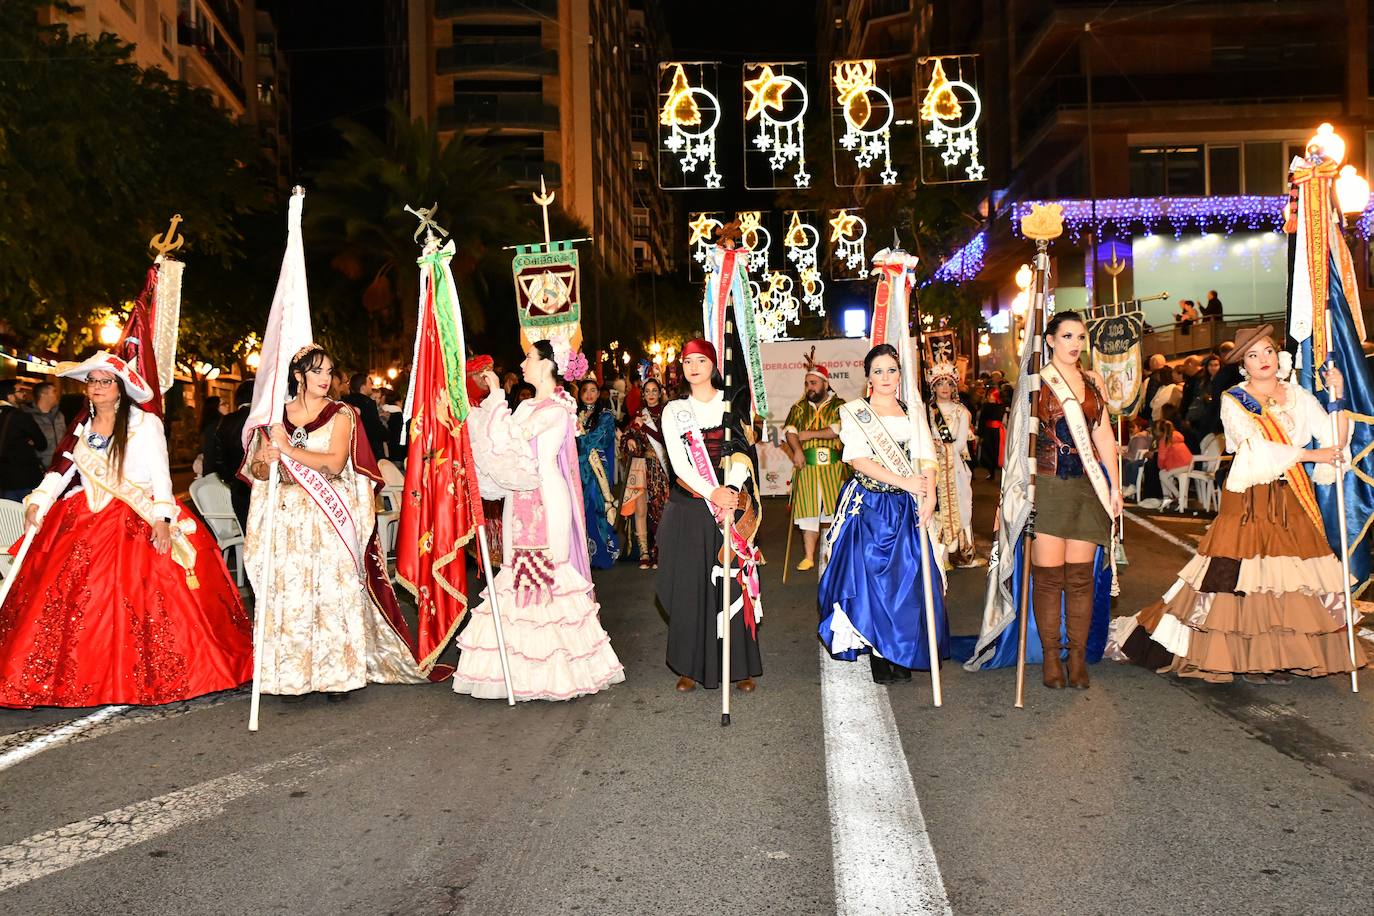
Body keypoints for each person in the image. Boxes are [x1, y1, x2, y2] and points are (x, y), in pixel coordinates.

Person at [1109, 326, 1369, 683]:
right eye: (1253, 355)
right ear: (1244, 364)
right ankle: (1244, 655)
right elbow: (1253, 449)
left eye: (1267, 351)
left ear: (1278, 355)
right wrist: (1312, 454)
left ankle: (1280, 655)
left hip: (1291, 497)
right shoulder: (1235, 399)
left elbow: (1334, 442)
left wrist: (1337, 394)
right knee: (1238, 580)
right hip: (1249, 499)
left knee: (1287, 583)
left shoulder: (1298, 395)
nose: (1263, 359)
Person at [0, 352, 252, 707]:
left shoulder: (143, 424)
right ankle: (79, 676)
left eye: (105, 381)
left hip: (134, 518)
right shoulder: (81, 427)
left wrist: (163, 518)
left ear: (120, 389)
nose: (97, 387)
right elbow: (61, 472)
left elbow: (161, 475)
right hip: (84, 518)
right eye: (93, 381)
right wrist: (39, 501)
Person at [243, 345, 430, 702]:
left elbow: (334, 462)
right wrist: (266, 460)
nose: (325, 379)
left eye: (329, 372)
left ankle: (336, 675)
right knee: (292, 594)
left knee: (329, 593)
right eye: (317, 372)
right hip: (287, 518)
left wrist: (288, 451)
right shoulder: (274, 417)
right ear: (299, 376)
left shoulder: (341, 414)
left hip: (327, 516)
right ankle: (292, 675)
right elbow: (258, 470)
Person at [459, 343, 625, 700]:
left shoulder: (558, 408)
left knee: (550, 571)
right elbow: (499, 445)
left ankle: (560, 670)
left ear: (548, 365)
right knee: (515, 571)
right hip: (519, 496)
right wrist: (489, 402)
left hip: (547, 497)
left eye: (529, 358)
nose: (522, 363)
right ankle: (518, 673)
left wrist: (496, 397)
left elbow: (511, 440)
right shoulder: (526, 406)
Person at [818, 343, 947, 683]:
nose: (886, 376)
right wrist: (904, 481)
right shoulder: (854, 412)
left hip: (907, 505)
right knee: (872, 579)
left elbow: (926, 456)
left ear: (899, 374)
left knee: (908, 579)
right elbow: (859, 460)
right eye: (878, 371)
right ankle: (878, 651)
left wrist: (929, 492)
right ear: (868, 377)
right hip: (871, 504)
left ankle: (902, 649)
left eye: (891, 370)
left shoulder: (913, 411)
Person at [657, 339, 763, 692]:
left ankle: (739, 665)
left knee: (732, 582)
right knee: (691, 584)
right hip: (691, 505)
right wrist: (711, 492)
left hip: (729, 504)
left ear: (714, 364)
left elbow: (744, 454)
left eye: (701, 360)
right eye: (687, 361)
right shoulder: (674, 410)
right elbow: (679, 462)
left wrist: (730, 492)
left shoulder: (732, 403)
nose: (693, 366)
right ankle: (691, 664)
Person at [1028, 311, 1123, 689]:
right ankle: (1052, 657)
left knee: (1081, 579)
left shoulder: (1092, 382)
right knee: (1049, 579)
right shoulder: (1036, 383)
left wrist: (1115, 487)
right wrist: (1008, 497)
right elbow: (1020, 443)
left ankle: (1077, 657)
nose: (1074, 344)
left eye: (1080, 337)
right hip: (1048, 485)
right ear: (1050, 340)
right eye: (1066, 336)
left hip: (1086, 486)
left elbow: (1103, 437)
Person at [782, 363, 847, 571]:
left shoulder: (839, 405)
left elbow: (836, 429)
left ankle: (834, 553)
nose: (809, 387)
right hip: (807, 468)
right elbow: (790, 431)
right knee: (808, 513)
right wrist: (797, 450)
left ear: (825, 384)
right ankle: (809, 556)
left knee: (834, 512)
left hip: (833, 469)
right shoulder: (799, 407)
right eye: (806, 383)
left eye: (813, 383)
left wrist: (808, 434)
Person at [618, 377, 670, 570]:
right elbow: (625, 437)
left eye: (654, 391)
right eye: (647, 391)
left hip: (659, 468)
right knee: (641, 510)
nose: (650, 395)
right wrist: (630, 438)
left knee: (660, 509)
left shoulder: (666, 413)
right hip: (641, 467)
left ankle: (659, 550)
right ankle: (644, 553)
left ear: (660, 392)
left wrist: (644, 426)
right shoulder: (639, 413)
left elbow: (663, 438)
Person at [928, 360, 975, 567]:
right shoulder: (926, 411)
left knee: (960, 506)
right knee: (934, 506)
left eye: (949, 383)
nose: (945, 388)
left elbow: (961, 443)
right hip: (931, 467)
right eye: (940, 383)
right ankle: (940, 555)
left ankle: (959, 552)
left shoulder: (962, 412)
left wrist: (941, 449)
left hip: (955, 468)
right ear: (934, 387)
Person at [575, 377, 621, 569]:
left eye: (593, 390)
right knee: (579, 511)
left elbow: (597, 439)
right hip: (577, 468)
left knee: (597, 507)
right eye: (585, 390)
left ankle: (602, 554)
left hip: (597, 469)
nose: (589, 394)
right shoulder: (573, 414)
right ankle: (581, 555)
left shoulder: (605, 415)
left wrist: (580, 436)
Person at [214, 379, 254, 530]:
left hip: (239, 489)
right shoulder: (262, 418)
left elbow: (219, 460)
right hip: (261, 485)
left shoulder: (226, 421)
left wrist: (232, 480)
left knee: (247, 535)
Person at [0, 378, 47, 502]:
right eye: (19, 391)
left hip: (3, 480)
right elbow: (42, 443)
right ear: (10, 396)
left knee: (8, 518)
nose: (23, 394)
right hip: (25, 479)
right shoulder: (21, 416)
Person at [342, 372, 389, 461]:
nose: (372, 386)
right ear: (363, 387)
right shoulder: (368, 403)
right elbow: (375, 427)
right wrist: (386, 434)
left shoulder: (345, 401)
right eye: (370, 383)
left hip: (351, 449)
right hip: (369, 450)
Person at [25, 381, 66, 470]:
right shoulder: (29, 417)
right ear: (43, 394)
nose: (57, 394)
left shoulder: (59, 415)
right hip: (39, 469)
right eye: (54, 391)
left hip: (61, 467)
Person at [1154, 418, 1192, 509]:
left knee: (1162, 474)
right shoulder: (1177, 436)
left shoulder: (1164, 441)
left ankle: (1179, 496)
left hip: (1180, 466)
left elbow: (1161, 459)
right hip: (1189, 464)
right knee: (1164, 474)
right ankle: (1167, 497)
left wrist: (1162, 466)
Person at [195, 395, 225, 477]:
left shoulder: (207, 424)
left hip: (209, 470)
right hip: (218, 472)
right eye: (223, 404)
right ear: (216, 407)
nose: (227, 406)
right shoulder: (218, 424)